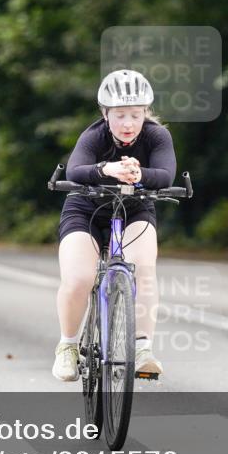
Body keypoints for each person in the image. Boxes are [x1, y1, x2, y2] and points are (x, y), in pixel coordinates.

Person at [52, 70, 176, 382]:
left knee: (144, 271)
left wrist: (141, 175)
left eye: (136, 115)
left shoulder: (157, 135)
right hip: (86, 209)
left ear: (145, 112)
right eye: (120, 115)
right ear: (106, 114)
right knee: (79, 278)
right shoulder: (94, 135)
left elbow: (166, 175)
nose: (128, 124)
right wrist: (107, 169)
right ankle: (68, 346)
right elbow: (75, 170)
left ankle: (143, 349)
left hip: (134, 209)